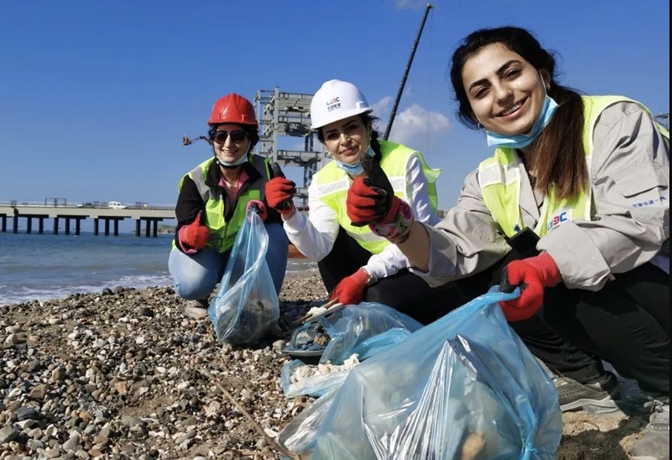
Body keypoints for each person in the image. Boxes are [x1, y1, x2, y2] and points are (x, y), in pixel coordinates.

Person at [345, 26, 669, 459]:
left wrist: (548, 265)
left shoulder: (613, 123)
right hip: (618, 290)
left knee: (553, 271)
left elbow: (643, 224)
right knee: (494, 279)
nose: (501, 94)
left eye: (511, 73)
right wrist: (395, 223)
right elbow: (452, 254)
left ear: (544, 73)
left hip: (657, 275)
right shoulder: (491, 175)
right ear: (473, 113)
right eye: (481, 90)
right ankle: (593, 385)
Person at [265, 79, 462, 325]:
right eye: (332, 134)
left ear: (368, 126)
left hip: (421, 264)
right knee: (335, 246)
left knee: (378, 299)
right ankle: (348, 308)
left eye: (351, 127)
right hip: (373, 265)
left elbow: (419, 239)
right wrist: (289, 214)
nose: (344, 140)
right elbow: (318, 249)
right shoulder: (323, 181)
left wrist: (365, 274)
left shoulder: (404, 161)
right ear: (325, 143)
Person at [168, 93, 289, 303]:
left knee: (277, 234)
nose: (228, 144)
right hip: (207, 251)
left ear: (251, 139)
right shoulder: (195, 179)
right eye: (221, 136)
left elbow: (283, 220)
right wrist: (188, 236)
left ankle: (265, 302)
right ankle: (201, 297)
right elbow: (182, 227)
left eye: (238, 136)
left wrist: (269, 211)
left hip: (243, 254)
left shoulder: (269, 171)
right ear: (213, 139)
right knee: (192, 284)